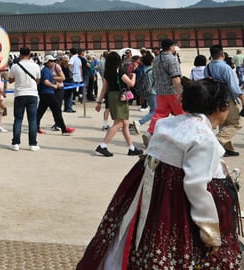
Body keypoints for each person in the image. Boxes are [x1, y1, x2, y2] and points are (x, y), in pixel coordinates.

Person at [78, 78, 242, 268]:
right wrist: (210, 230)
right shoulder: (203, 139)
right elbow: (196, 186)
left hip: (154, 197)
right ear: (220, 107)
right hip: (175, 205)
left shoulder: (168, 124)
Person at [94, 52, 143, 157]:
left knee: (125, 123)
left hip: (111, 96)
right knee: (119, 123)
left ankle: (131, 147)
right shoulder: (119, 70)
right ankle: (103, 145)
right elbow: (131, 84)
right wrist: (134, 75)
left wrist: (99, 102)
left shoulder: (108, 72)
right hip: (120, 97)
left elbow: (104, 88)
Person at [205, 44, 244, 157]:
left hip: (214, 98)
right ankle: (218, 141)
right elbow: (233, 86)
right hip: (227, 98)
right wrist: (242, 99)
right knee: (237, 122)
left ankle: (227, 148)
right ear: (222, 54)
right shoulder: (225, 67)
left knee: (224, 122)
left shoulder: (208, 67)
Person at [145, 39, 183, 144]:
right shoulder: (172, 59)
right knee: (182, 114)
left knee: (160, 114)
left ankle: (150, 132)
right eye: (174, 45)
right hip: (172, 91)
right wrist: (180, 92)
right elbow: (175, 77)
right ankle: (183, 135)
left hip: (160, 91)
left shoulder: (157, 59)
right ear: (171, 47)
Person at [8, 47, 41, 151]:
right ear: (30, 54)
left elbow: (10, 80)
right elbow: (38, 80)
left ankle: (15, 143)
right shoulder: (36, 66)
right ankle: (33, 144)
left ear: (20, 54)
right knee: (32, 120)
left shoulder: (15, 66)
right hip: (32, 94)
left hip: (20, 94)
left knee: (18, 119)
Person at [37, 55, 74, 136]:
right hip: (48, 93)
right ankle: (63, 130)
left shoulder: (46, 70)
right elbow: (46, 81)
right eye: (51, 61)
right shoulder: (46, 71)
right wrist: (53, 86)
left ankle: (36, 127)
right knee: (57, 110)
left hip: (46, 93)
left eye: (53, 61)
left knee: (40, 111)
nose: (53, 62)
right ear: (47, 62)